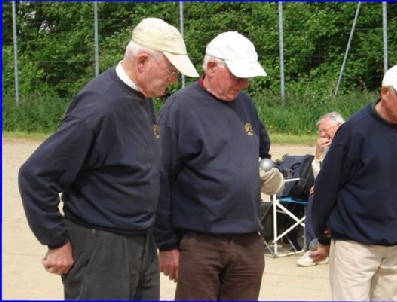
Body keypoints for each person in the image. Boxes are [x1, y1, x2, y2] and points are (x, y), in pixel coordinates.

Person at [17, 18, 199, 300]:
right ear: (142, 61)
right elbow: (36, 174)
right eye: (171, 72)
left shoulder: (142, 97)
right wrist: (56, 241)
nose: (173, 81)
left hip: (140, 241)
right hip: (102, 245)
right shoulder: (100, 107)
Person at [153, 31, 284, 300]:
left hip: (248, 239)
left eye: (247, 77)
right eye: (237, 76)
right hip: (200, 241)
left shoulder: (245, 104)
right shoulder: (180, 108)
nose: (245, 83)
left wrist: (267, 172)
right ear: (211, 67)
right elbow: (159, 177)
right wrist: (165, 244)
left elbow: (261, 152)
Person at [310, 62, 397, 300]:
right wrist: (323, 237)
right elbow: (326, 187)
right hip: (356, 245)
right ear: (385, 92)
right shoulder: (355, 131)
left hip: (396, 242)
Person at [296, 112, 345, 267]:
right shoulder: (330, 146)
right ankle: (315, 246)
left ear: (339, 126)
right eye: (320, 132)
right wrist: (318, 154)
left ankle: (318, 249)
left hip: (348, 189)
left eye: (325, 130)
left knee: (318, 197)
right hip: (334, 188)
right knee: (314, 196)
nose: (323, 135)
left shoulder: (349, 142)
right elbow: (321, 176)